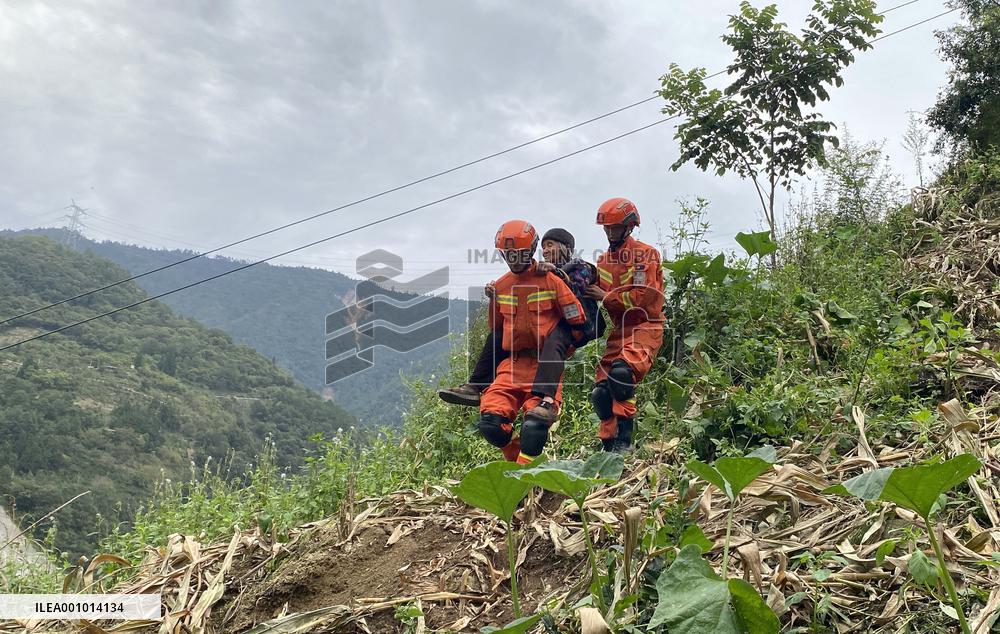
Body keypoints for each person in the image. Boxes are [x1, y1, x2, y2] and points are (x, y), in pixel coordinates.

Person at [439, 228, 603, 423]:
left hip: (578, 325)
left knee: (556, 337)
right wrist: (497, 297)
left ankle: (546, 400)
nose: (546, 250)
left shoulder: (580, 267)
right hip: (551, 322)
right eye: (544, 247)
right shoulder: (540, 272)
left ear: (567, 248)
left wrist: (555, 274)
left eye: (550, 245)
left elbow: (575, 288)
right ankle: (475, 386)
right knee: (498, 335)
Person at [469, 220, 585, 463]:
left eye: (518, 253)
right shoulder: (501, 285)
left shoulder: (551, 279)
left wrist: (563, 345)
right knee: (490, 424)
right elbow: (496, 328)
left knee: (534, 426)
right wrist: (492, 299)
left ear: (530, 250)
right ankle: (517, 464)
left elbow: (576, 318)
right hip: (511, 365)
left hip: (544, 364)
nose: (513, 259)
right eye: (508, 254)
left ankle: (524, 476)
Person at [585, 197, 665, 452]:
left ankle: (624, 441)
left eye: (615, 228)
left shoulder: (645, 255)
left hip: (646, 326)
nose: (610, 233)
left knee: (621, 374)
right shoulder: (603, 262)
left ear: (629, 227)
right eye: (607, 228)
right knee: (601, 392)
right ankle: (608, 443)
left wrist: (606, 296)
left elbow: (642, 298)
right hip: (619, 331)